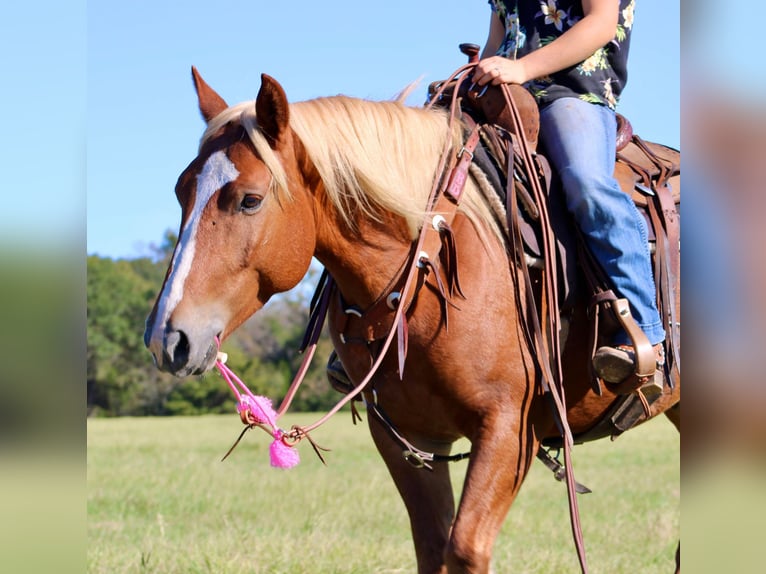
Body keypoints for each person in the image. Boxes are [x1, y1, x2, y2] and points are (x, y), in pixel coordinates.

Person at [474, 0, 665, 383]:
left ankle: (645, 329)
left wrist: (522, 68)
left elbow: (601, 24)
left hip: (572, 93)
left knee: (585, 181)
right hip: (502, 98)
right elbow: (498, 40)